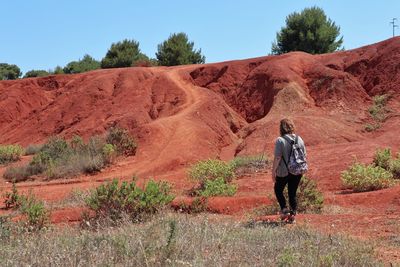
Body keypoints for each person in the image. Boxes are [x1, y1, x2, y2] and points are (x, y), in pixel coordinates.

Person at [271, 118, 306, 222]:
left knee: (278, 190)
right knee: (292, 193)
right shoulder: (300, 139)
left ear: (281, 128)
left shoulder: (280, 140)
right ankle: (292, 216)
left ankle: (284, 209)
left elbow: (277, 157)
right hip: (297, 171)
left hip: (284, 171)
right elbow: (304, 155)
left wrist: (273, 172)